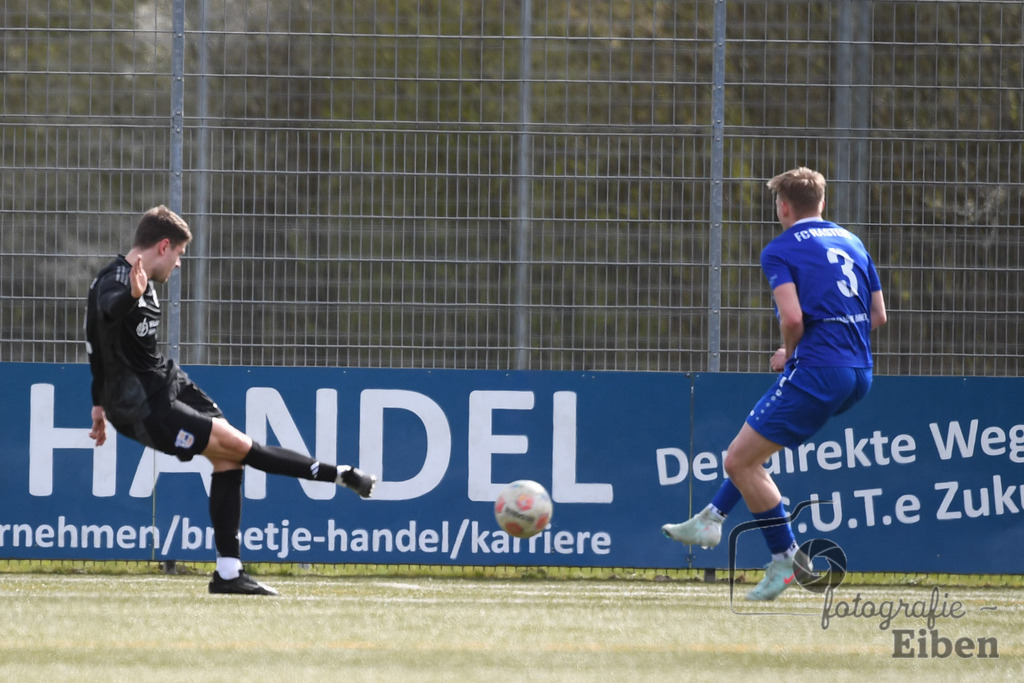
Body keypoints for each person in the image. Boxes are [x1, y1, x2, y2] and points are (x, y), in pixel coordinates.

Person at [86, 205, 377, 596]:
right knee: (241, 447)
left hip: (167, 382)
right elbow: (108, 311)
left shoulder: (139, 280)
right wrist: (130, 297)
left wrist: (97, 403)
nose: (179, 263)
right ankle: (341, 474)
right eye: (179, 254)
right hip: (144, 407)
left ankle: (228, 572)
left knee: (228, 458)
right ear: (164, 246)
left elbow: (96, 343)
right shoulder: (118, 281)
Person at [662, 167, 887, 601]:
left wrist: (790, 352)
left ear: (783, 207)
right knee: (752, 454)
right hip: (860, 372)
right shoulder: (852, 242)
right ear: (822, 203)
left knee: (738, 461)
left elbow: (793, 318)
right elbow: (878, 315)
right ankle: (711, 517)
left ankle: (785, 559)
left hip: (818, 370)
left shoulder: (780, 249)